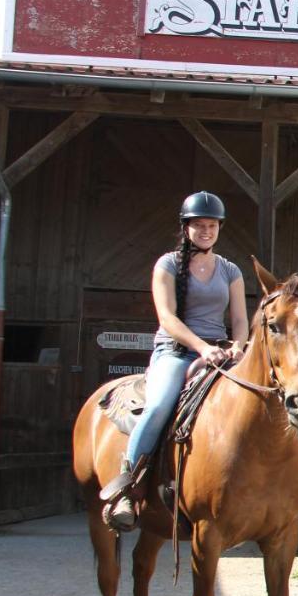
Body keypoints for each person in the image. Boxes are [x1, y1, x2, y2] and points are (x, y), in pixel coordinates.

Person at [101, 191, 249, 530]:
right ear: (186, 229)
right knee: (159, 406)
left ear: (219, 228)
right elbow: (167, 317)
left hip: (220, 352)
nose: (206, 231)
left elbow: (240, 320)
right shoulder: (167, 265)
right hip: (176, 351)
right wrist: (201, 347)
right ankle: (128, 484)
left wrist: (238, 346)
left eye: (212, 226)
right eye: (199, 226)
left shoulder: (231, 271)